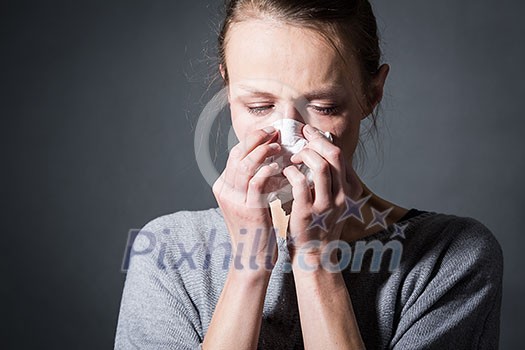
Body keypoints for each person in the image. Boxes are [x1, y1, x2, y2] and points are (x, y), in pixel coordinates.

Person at [115, 0, 503, 349]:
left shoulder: (450, 256)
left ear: (372, 94)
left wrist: (315, 261)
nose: (288, 135)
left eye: (323, 106)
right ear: (228, 91)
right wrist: (248, 269)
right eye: (259, 106)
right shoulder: (167, 251)